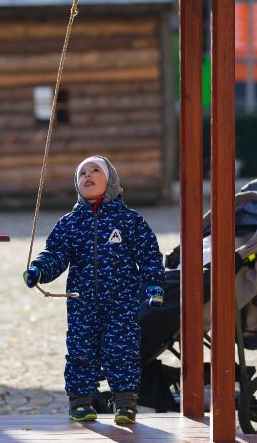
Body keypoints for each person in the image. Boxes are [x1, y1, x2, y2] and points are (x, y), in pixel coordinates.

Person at [23, 155, 165, 425]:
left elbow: (148, 255)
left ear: (111, 180)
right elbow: (56, 253)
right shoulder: (70, 223)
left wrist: (154, 284)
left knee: (122, 349)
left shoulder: (129, 221)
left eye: (95, 171)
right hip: (82, 300)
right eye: (82, 174)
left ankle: (124, 403)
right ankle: (80, 401)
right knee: (80, 349)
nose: (87, 176)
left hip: (121, 301)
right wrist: (39, 270)